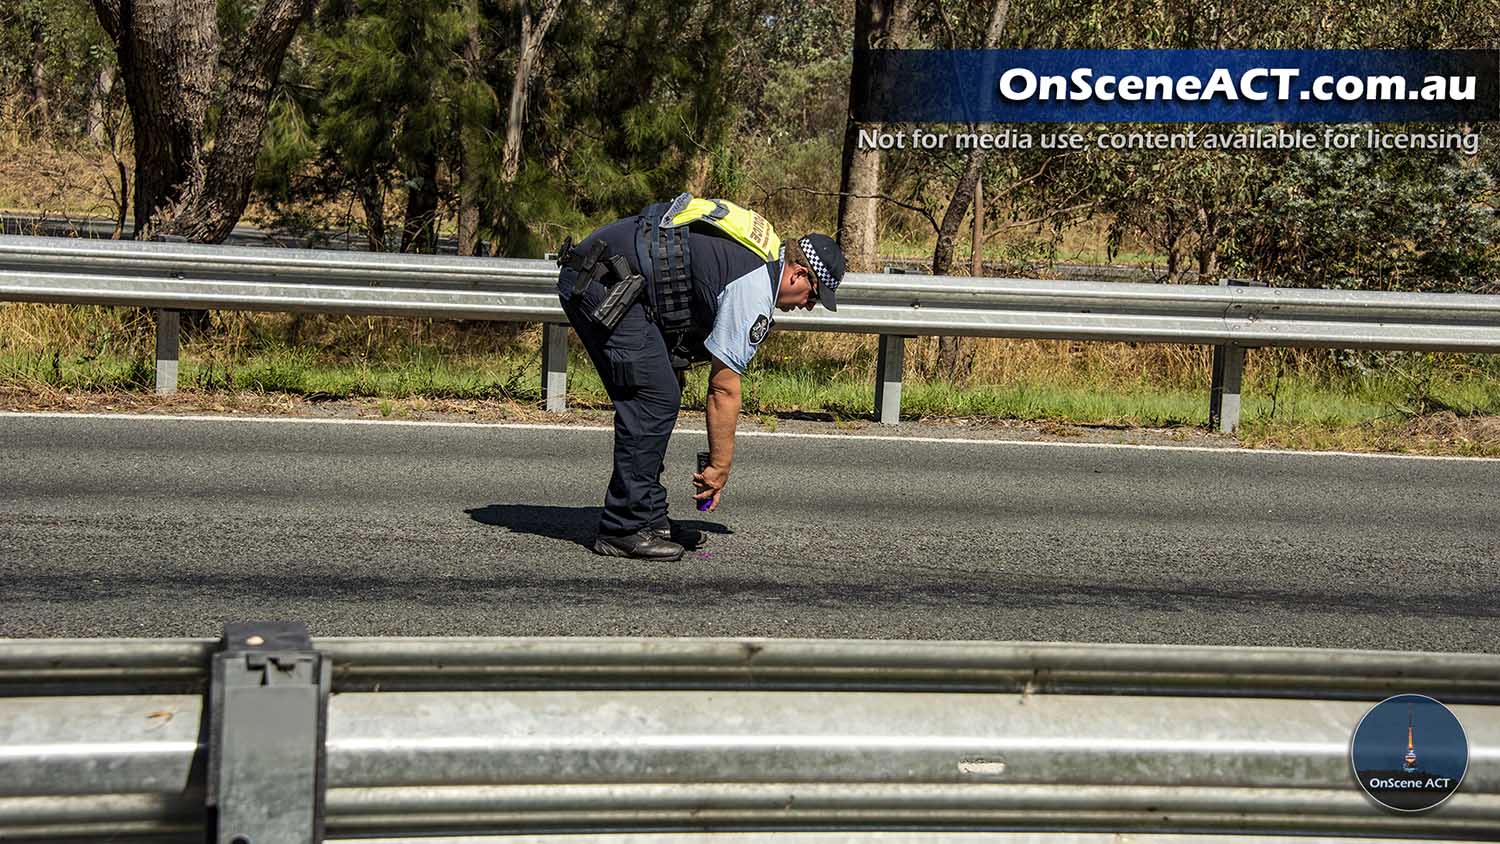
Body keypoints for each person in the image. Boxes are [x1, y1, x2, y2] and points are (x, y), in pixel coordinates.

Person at [555, 193, 846, 561]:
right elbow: (723, 389)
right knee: (653, 397)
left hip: (623, 278)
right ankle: (623, 527)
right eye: (813, 297)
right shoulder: (756, 286)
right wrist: (719, 466)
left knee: (664, 387)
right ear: (799, 273)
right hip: (602, 279)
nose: (807, 306)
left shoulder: (764, 248)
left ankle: (648, 517)